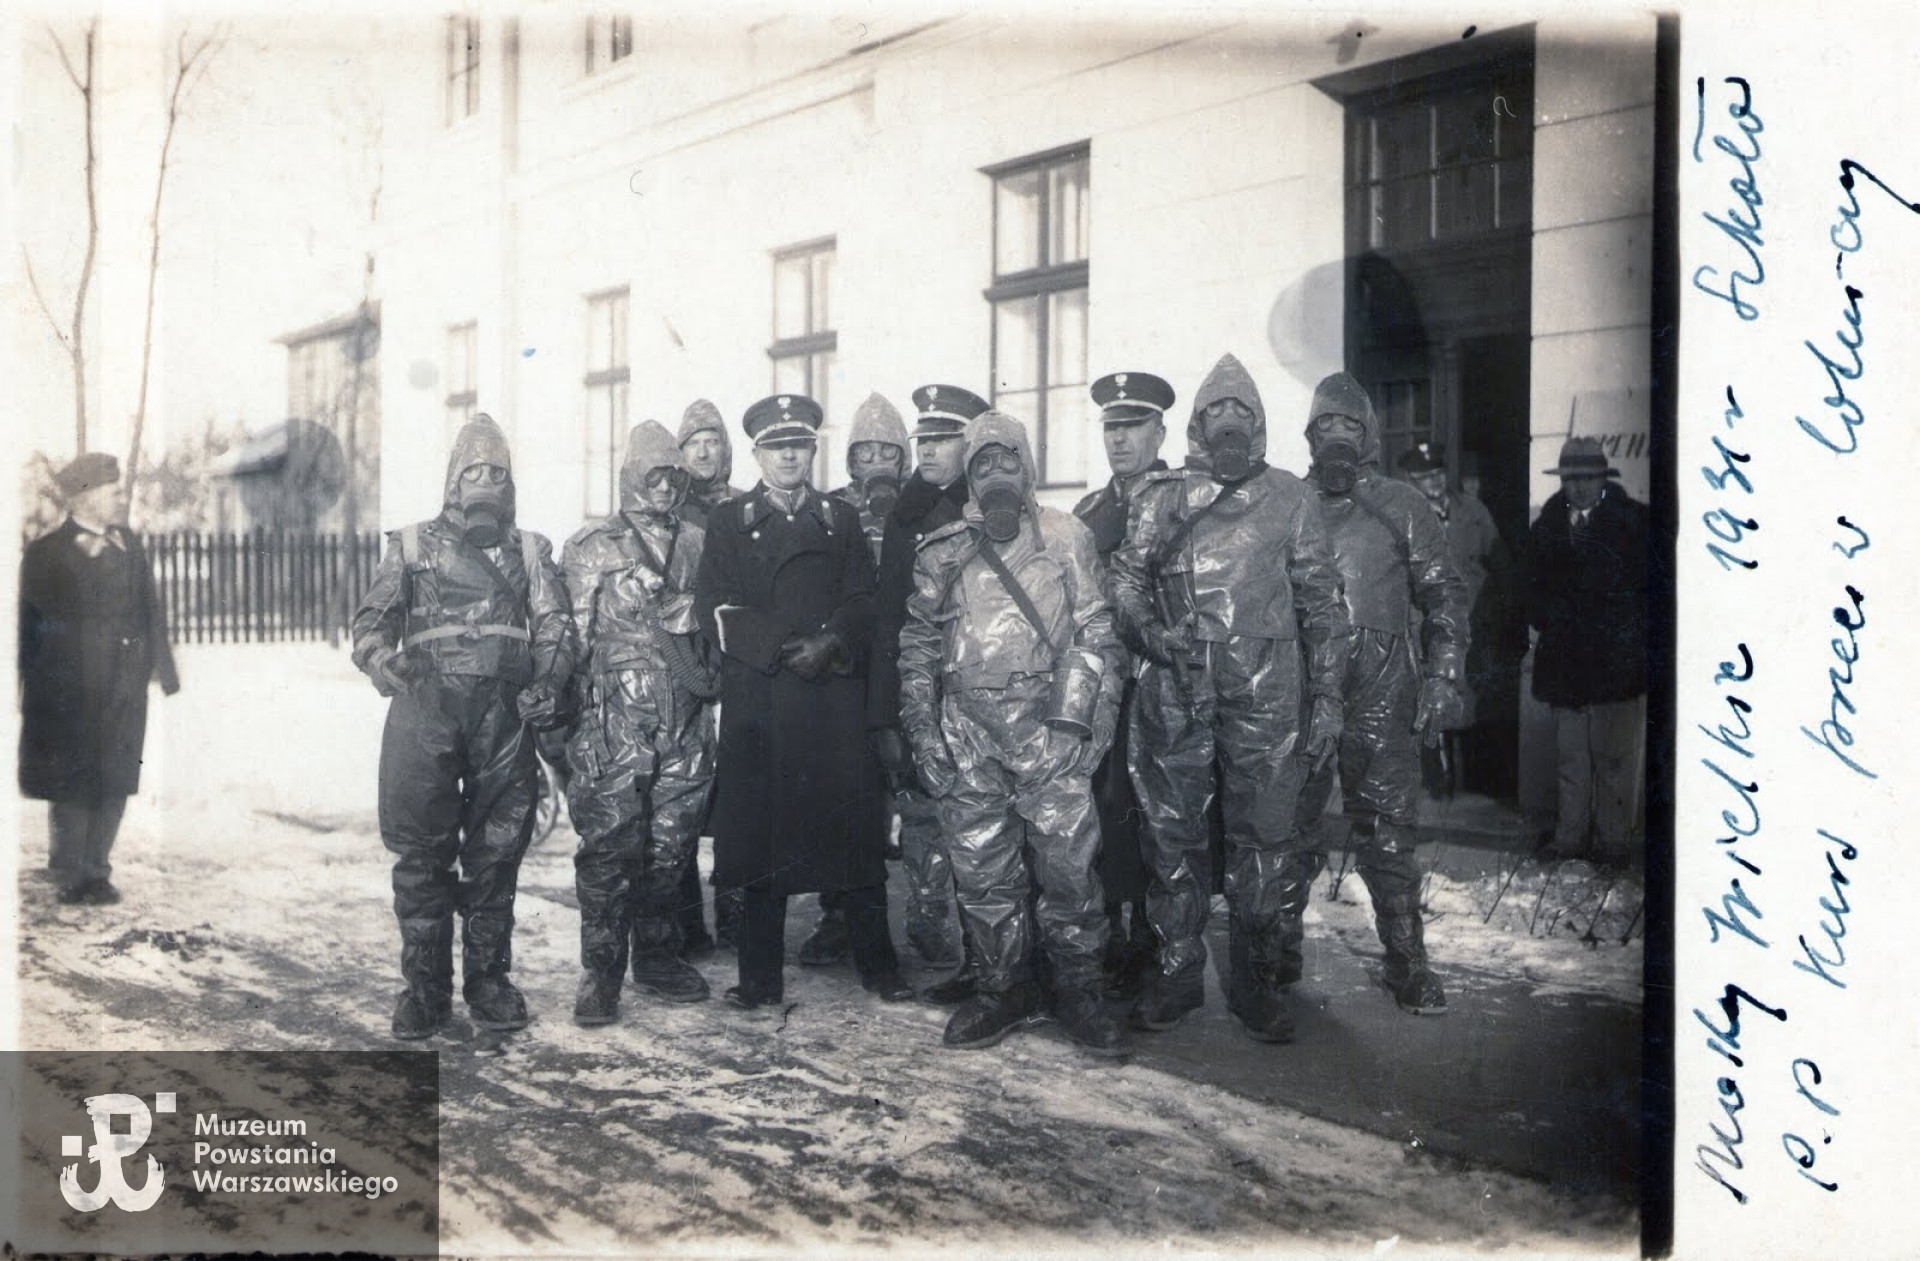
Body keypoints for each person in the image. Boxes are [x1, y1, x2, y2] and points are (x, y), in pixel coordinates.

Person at [1108, 353, 1349, 1043]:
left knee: (1266, 838)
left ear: (1261, 423)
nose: (1230, 425)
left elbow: (1322, 603)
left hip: (1268, 692)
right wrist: (1154, 634)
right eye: (1216, 414)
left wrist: (1327, 694)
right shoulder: (1162, 498)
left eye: (1242, 413)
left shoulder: (1291, 498)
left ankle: (1256, 979)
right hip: (1176, 685)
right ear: (1196, 425)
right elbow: (1124, 579)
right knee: (1171, 836)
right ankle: (1179, 973)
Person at [898, 410, 1126, 1055]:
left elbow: (1097, 634)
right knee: (982, 872)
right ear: (969, 477)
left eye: (1009, 461)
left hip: (1052, 730)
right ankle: (1004, 989)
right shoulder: (943, 551)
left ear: (1028, 467)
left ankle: (1079, 990)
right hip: (968, 735)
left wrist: (1087, 731)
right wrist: (925, 736)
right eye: (984, 464)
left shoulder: (1065, 538)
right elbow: (916, 646)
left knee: (1069, 871)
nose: (998, 473)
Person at [351, 414, 576, 1040]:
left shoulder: (531, 550)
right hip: (426, 711)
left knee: (497, 852)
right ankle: (423, 990)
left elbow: (555, 624)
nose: (485, 481)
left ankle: (488, 980)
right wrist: (381, 659)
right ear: (452, 480)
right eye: (472, 471)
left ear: (510, 483)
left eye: (496, 473)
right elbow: (371, 621)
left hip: (503, 718)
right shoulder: (414, 545)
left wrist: (549, 680)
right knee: (420, 853)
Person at [693, 393, 913, 1010]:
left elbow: (864, 598)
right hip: (762, 700)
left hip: (832, 699)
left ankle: (879, 964)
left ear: (813, 451)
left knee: (854, 839)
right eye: (776, 446)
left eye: (799, 445)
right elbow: (716, 606)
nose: (789, 455)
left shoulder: (839, 521)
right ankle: (760, 980)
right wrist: (787, 647)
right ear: (759, 454)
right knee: (763, 845)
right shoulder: (729, 523)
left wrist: (831, 642)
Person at [1282, 373, 1470, 1017]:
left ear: (1369, 437)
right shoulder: (1286, 502)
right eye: (1325, 426)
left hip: (1384, 686)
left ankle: (1407, 962)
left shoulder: (1404, 505)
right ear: (1309, 436)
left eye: (1350, 427)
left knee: (1388, 832)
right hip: (1303, 683)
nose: (1337, 438)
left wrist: (1445, 673)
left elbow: (1443, 593)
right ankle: (1275, 962)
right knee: (1289, 824)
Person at [560, 420, 720, 1025]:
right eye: (653, 474)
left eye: (673, 475)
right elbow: (569, 640)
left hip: (686, 720)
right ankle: (599, 972)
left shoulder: (701, 542)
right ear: (631, 475)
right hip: (615, 722)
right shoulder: (592, 546)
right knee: (608, 847)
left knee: (671, 845)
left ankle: (656, 956)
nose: (664, 486)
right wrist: (567, 724)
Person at [869, 383, 993, 997]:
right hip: (921, 695)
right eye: (923, 440)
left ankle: (985, 954)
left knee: (984, 829)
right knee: (922, 818)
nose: (928, 450)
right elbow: (887, 622)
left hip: (983, 695)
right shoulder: (905, 516)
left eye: (942, 439)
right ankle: (932, 932)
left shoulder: (995, 505)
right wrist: (883, 719)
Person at [19, 453, 180, 906]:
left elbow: (151, 607)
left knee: (116, 777)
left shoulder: (128, 543)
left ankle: (98, 869)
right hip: (70, 689)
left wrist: (163, 670)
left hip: (124, 687)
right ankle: (71, 870)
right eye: (111, 491)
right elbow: (29, 625)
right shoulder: (47, 552)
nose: (119, 497)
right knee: (73, 777)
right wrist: (29, 685)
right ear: (84, 498)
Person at [794, 392, 915, 968]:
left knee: (915, 791)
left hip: (907, 667)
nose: (875, 462)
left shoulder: (921, 509)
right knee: (841, 797)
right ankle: (837, 914)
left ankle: (930, 913)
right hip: (846, 672)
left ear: (903, 456)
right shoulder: (830, 512)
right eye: (863, 451)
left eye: (886, 450)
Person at [1071, 371, 1173, 999]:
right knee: (1107, 808)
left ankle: (1159, 940)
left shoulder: (1186, 500)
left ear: (1159, 431)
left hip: (1166, 681)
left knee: (1164, 815)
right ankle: (1113, 931)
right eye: (1111, 427)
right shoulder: (1089, 513)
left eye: (1132, 427)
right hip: (1107, 685)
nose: (1120, 440)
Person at [1524, 436, 1649, 865]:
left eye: (1588, 477)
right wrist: (1549, 618)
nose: (1579, 487)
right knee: (1572, 760)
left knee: (1613, 761)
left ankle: (1613, 843)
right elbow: (1532, 592)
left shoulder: (1633, 523)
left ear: (1603, 477)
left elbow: (1652, 594)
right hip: (1566, 666)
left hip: (1617, 664)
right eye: (1571, 478)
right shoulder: (1545, 528)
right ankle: (1571, 839)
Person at [1397, 441, 1520, 798]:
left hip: (1474, 628)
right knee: (1432, 704)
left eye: (1437, 473)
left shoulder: (1472, 510)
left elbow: (1503, 567)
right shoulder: (1406, 518)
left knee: (1475, 703)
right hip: (1429, 629)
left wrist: (1499, 615)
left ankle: (1475, 782)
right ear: (1410, 480)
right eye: (1423, 477)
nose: (1433, 482)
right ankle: (1438, 785)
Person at [674, 397, 746, 954]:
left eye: (712, 439)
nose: (703, 449)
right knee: (680, 796)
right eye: (693, 440)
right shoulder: (665, 512)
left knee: (735, 798)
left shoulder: (745, 510)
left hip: (735, 663)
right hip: (679, 668)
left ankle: (737, 917)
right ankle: (683, 922)